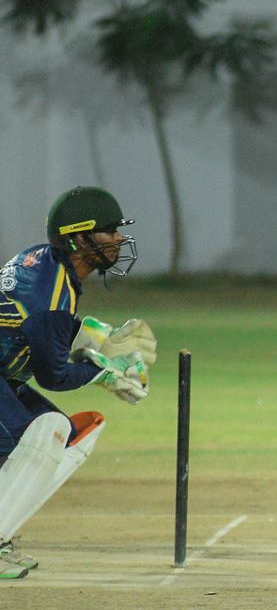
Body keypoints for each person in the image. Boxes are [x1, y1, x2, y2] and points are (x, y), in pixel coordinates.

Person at [0, 186, 156, 579]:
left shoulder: (46, 262)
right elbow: (54, 375)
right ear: (80, 239)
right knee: (35, 437)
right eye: (109, 231)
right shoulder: (50, 291)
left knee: (66, 438)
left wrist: (99, 338)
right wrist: (105, 371)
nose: (119, 238)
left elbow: (41, 328)